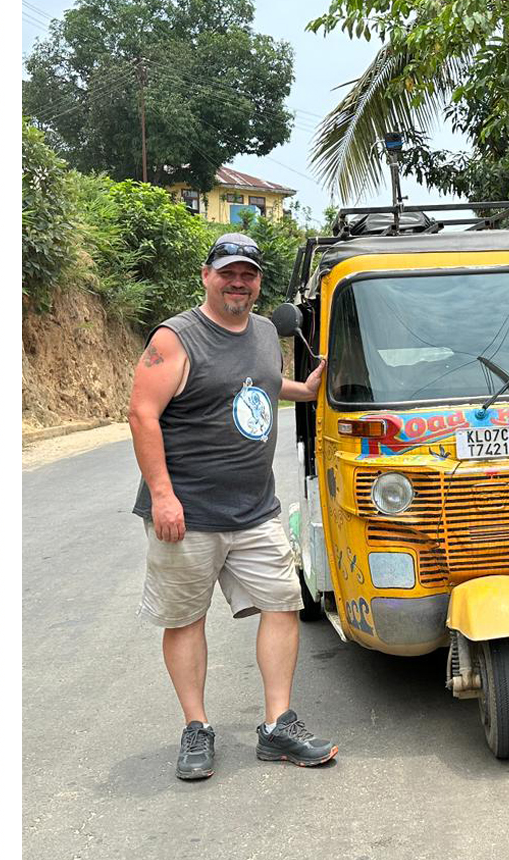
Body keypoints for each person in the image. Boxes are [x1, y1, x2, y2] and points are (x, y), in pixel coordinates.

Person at [129, 232, 332, 781]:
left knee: (283, 604)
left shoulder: (265, 331)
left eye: (247, 273)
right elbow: (142, 414)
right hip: (187, 513)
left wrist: (302, 391)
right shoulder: (177, 338)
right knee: (186, 618)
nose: (238, 282)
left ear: (258, 281)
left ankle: (277, 725)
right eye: (228, 272)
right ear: (207, 275)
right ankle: (196, 727)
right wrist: (164, 497)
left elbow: (256, 385)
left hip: (256, 509)